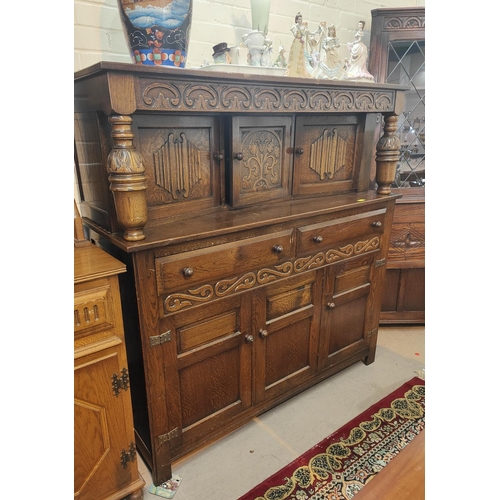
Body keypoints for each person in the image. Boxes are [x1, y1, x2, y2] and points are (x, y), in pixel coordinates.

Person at [285, 13, 311, 77]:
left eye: (301, 19)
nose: (300, 20)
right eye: (299, 19)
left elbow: (303, 34)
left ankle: (299, 72)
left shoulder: (302, 27)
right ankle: (292, 72)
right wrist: (296, 28)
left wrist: (299, 28)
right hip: (296, 42)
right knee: (294, 57)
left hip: (300, 42)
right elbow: (294, 34)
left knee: (300, 57)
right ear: (296, 20)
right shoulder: (294, 27)